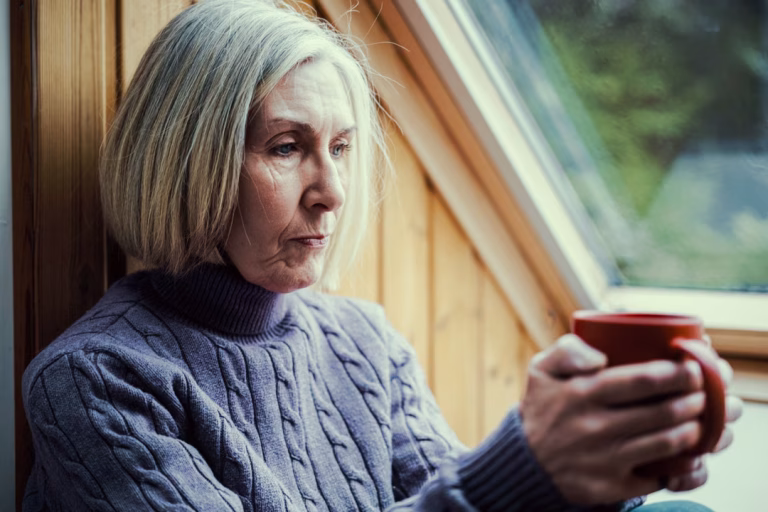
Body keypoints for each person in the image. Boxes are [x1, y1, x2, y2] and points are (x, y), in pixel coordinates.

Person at [21, 1, 742, 511]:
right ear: (184, 161)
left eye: (340, 148)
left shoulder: (365, 343)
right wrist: (524, 465)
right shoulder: (94, 381)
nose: (332, 192)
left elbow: (458, 497)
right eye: (286, 148)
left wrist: (605, 467)